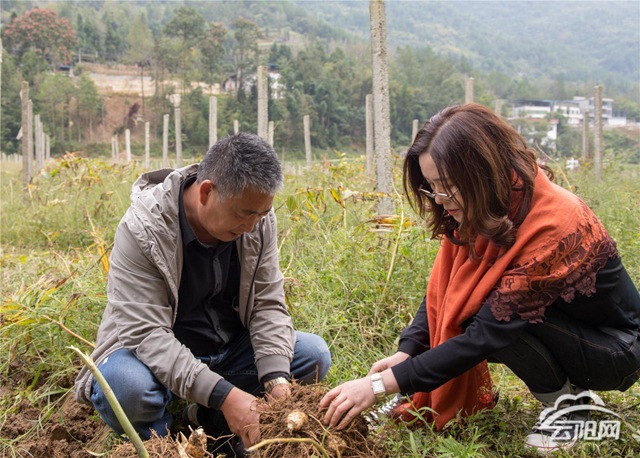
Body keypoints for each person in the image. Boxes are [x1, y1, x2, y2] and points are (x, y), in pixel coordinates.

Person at [320, 103, 640, 454]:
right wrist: (407, 350)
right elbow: (444, 291)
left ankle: (567, 407)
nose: (440, 200)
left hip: (616, 350)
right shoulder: (491, 205)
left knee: (489, 311)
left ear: (482, 172)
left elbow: (485, 334)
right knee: (471, 301)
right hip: (571, 331)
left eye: (447, 186)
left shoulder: (551, 224)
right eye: (431, 187)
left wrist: (380, 385)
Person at [75, 132, 331, 456]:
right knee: (125, 385)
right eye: (244, 214)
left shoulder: (256, 217)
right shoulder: (142, 228)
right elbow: (147, 335)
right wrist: (225, 395)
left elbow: (267, 305)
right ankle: (164, 442)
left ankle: (213, 423)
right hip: (154, 360)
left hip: (226, 351)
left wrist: (277, 381)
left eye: (261, 214)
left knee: (311, 355)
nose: (252, 226)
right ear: (207, 191)